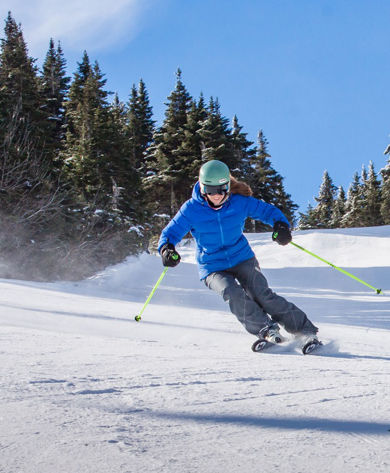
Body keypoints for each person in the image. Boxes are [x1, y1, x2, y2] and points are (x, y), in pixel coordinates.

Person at [157, 159, 318, 347]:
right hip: (212, 266)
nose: (216, 195)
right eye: (210, 190)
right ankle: (265, 329)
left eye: (220, 190)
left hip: (242, 257)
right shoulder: (191, 209)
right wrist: (167, 249)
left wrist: (280, 225)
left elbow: (268, 211)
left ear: (227, 186)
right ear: (202, 188)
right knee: (232, 292)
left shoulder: (239, 203)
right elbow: (170, 233)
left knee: (262, 294)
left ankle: (305, 331)